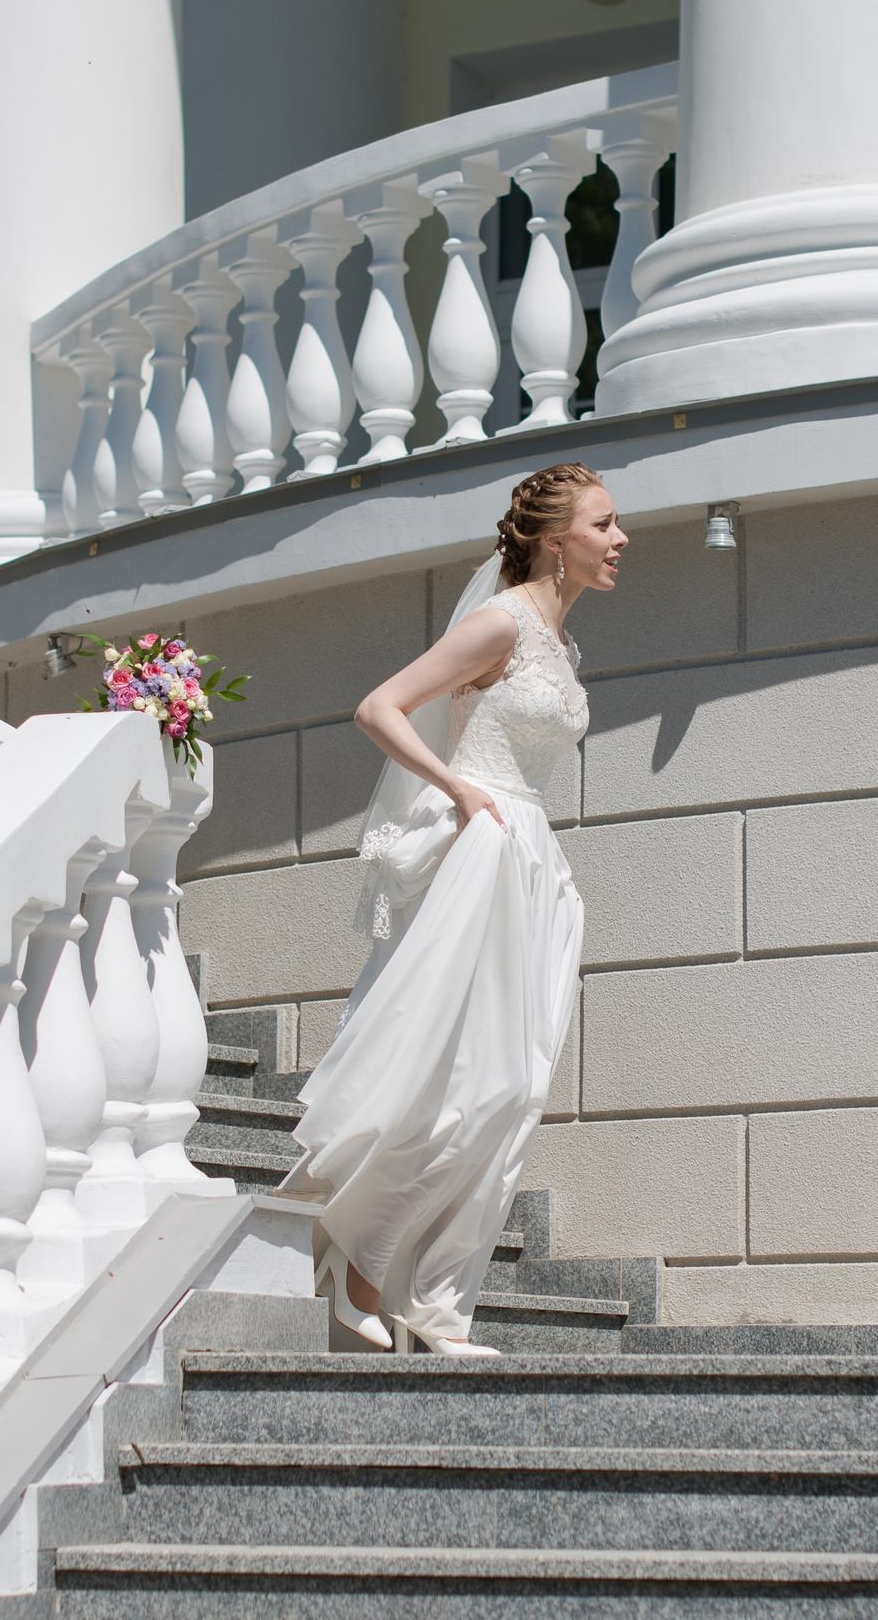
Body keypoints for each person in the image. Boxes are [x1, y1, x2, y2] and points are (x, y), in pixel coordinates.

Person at [278, 461, 626, 1355]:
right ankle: (359, 1260)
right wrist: (460, 791)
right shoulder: (501, 622)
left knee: (512, 1092)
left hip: (535, 865)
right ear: (556, 541)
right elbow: (380, 707)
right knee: (461, 1083)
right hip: (489, 849)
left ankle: (437, 1304)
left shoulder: (557, 640)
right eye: (603, 524)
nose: (620, 540)